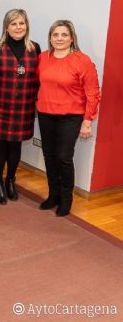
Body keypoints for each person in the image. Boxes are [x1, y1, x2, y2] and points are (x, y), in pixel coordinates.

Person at [37, 20, 100, 216]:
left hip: (70, 117)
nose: (59, 38)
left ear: (72, 38)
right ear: (50, 38)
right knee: (49, 155)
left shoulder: (82, 61)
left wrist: (88, 121)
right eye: (55, 35)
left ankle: (66, 200)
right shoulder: (43, 58)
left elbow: (93, 92)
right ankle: (53, 195)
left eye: (64, 35)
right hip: (46, 114)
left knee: (64, 157)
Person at [0, 9, 41, 205]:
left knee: (15, 146)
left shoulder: (35, 48)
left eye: (22, 23)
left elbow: (38, 79)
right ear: (6, 27)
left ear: (27, 26)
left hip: (23, 106)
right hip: (0, 105)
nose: (18, 27)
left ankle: (11, 180)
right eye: (14, 23)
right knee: (0, 145)